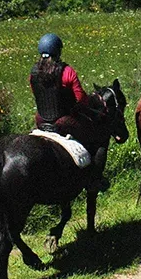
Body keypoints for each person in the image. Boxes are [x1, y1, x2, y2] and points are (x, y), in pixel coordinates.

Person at [29, 33, 108, 192]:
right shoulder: (67, 71)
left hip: (41, 120)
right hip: (63, 120)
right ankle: (94, 179)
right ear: (58, 52)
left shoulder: (33, 72)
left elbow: (35, 92)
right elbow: (81, 99)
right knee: (96, 140)